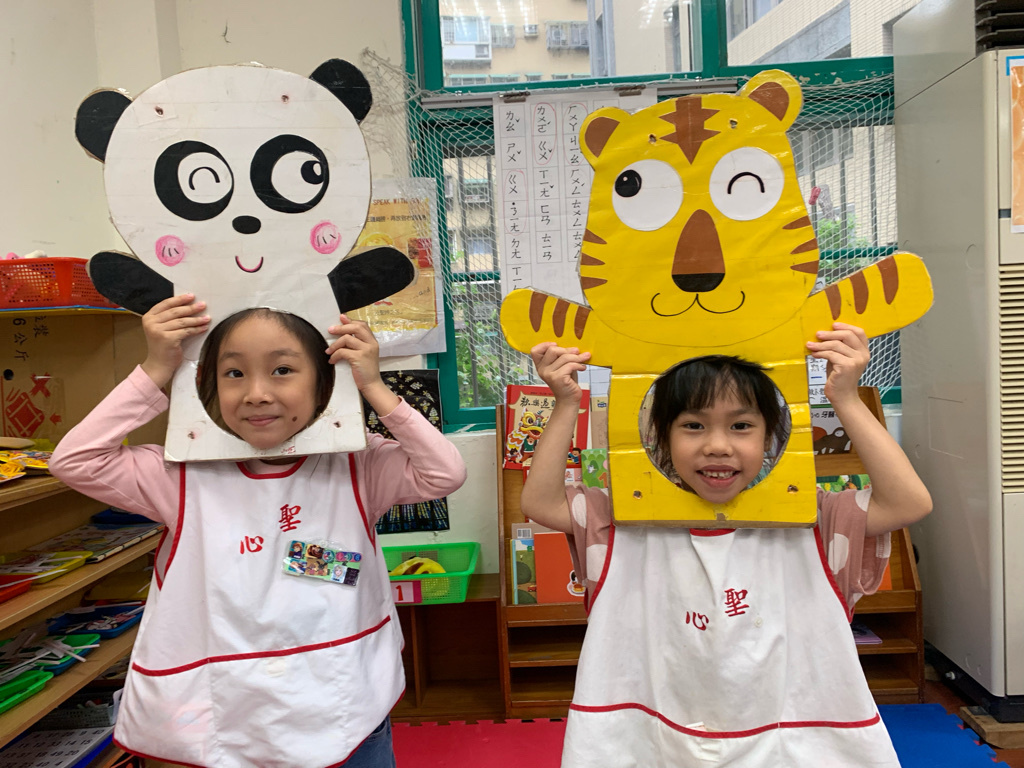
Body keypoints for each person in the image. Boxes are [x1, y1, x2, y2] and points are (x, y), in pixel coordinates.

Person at [50, 294, 467, 768]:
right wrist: (155, 370)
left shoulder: (357, 465)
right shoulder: (180, 476)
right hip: (236, 719)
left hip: (345, 707)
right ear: (207, 384)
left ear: (324, 382)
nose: (256, 393)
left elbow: (444, 473)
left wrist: (373, 387)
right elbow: (75, 461)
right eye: (234, 373)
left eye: (282, 370)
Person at [521, 322, 931, 768]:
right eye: (693, 425)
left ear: (770, 436)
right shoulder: (618, 522)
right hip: (653, 743)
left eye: (741, 426)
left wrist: (846, 397)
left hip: (790, 744)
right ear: (660, 436)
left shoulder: (814, 521)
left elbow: (909, 502)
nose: (717, 445)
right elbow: (541, 503)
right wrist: (567, 403)